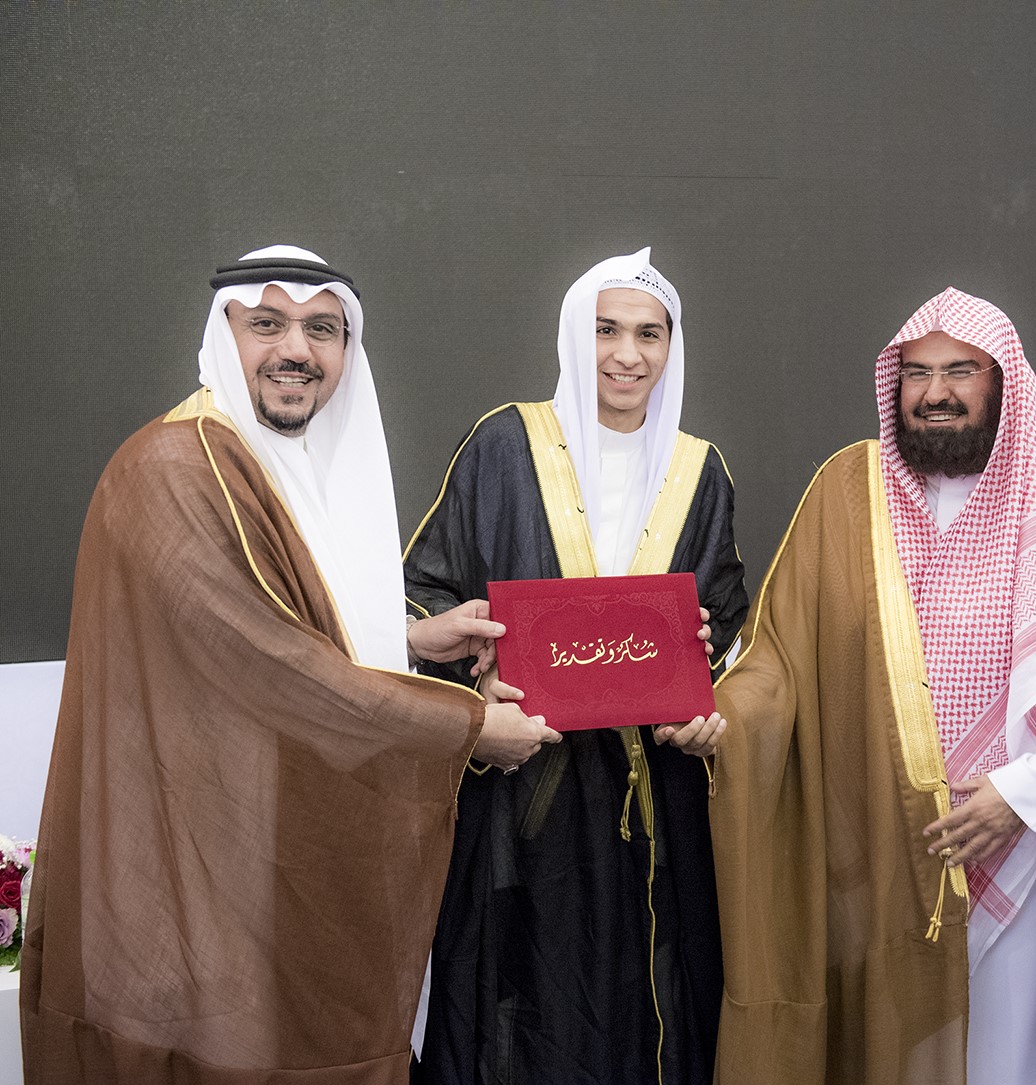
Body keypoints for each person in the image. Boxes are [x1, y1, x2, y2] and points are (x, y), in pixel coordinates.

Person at [20, 246, 558, 1085]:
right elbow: (279, 669)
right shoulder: (176, 468)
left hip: (273, 849)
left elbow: (289, 621)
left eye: (321, 329)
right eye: (266, 324)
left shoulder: (273, 463)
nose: (296, 350)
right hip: (199, 858)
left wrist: (412, 640)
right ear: (223, 333)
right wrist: (469, 726)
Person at [709, 287, 1036, 1084]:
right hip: (885, 847)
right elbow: (780, 664)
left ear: (1003, 383)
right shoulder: (847, 492)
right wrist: (708, 714)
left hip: (1034, 839)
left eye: (960, 371)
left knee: (1012, 1058)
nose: (935, 392)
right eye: (916, 373)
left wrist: (1020, 795)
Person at [403, 248, 748, 1085]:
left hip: (656, 809)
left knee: (651, 1009)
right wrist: (478, 698)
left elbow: (730, 631)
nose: (627, 354)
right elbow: (422, 603)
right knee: (520, 1011)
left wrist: (711, 699)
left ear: (671, 346)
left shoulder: (699, 470)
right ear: (571, 336)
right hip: (525, 798)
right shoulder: (503, 444)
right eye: (605, 330)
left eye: (649, 334)